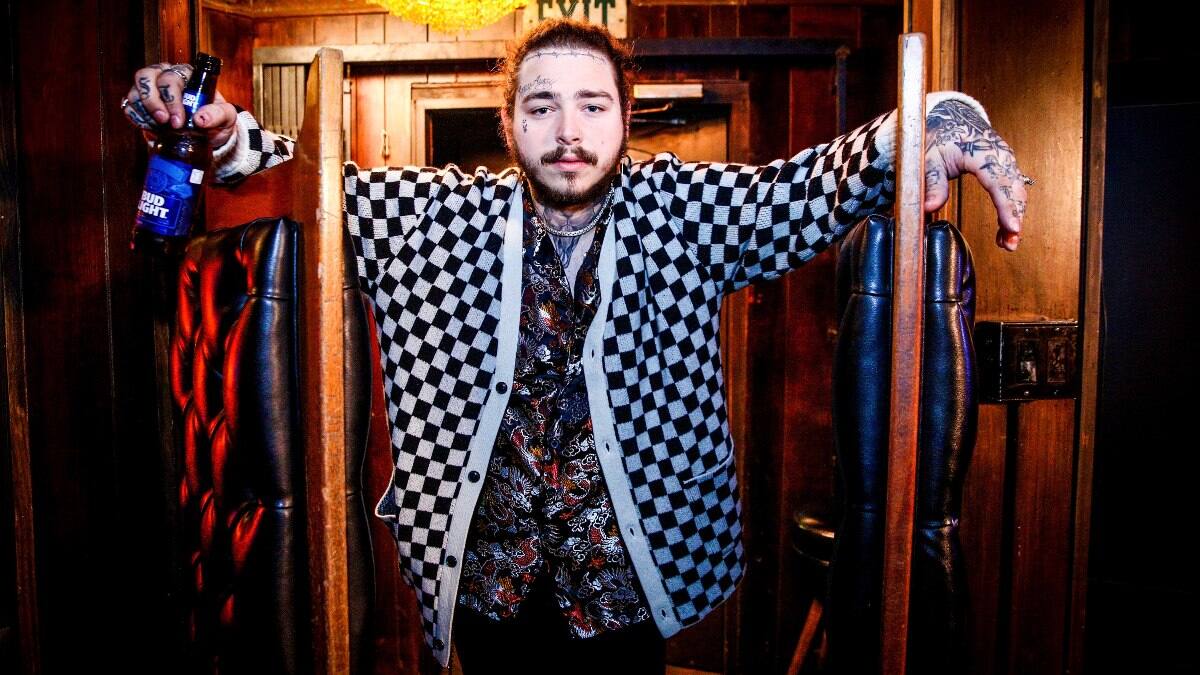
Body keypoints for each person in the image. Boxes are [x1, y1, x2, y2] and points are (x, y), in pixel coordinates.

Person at [123, 18, 1028, 675]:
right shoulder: (438, 218)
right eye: (542, 106)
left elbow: (820, 181)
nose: (568, 131)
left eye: (593, 105)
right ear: (509, 121)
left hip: (632, 583)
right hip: (486, 582)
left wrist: (945, 119)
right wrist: (222, 134)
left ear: (625, 116)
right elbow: (311, 186)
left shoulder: (684, 211)